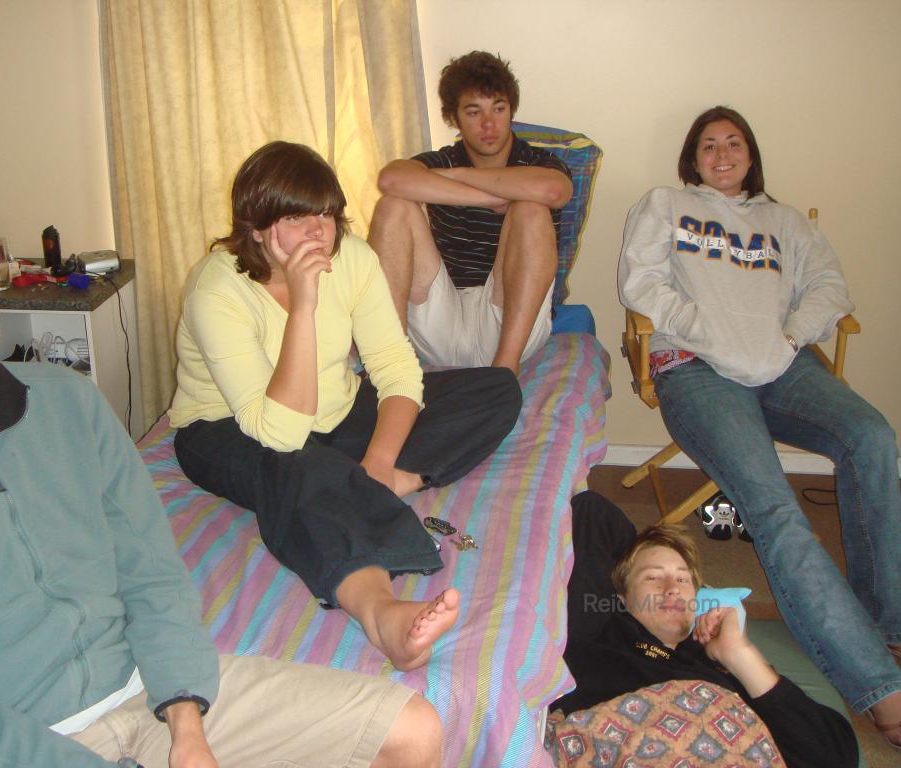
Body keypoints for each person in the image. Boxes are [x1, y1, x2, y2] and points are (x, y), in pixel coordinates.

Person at [0, 202, 444, 768]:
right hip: (20, 743)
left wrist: (186, 722)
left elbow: (151, 570)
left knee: (411, 731)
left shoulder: (65, 401)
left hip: (149, 692)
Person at [168, 141, 522, 672]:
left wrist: (379, 467)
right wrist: (304, 304)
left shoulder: (351, 257)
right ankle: (384, 616)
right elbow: (282, 432)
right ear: (258, 226)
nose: (319, 233)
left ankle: (387, 481)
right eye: (297, 217)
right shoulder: (216, 291)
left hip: (335, 409)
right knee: (297, 467)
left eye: (327, 215)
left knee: (496, 389)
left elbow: (395, 366)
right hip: (230, 429)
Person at [617, 105, 901, 750]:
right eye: (708, 145)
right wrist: (712, 333)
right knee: (772, 503)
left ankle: (887, 622)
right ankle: (880, 686)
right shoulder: (663, 204)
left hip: (782, 365)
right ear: (692, 157)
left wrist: (791, 335)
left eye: (733, 142)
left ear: (750, 154)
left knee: (875, 438)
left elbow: (830, 287)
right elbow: (642, 283)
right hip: (695, 367)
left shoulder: (784, 221)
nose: (722, 153)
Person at [555, 492, 859, 768]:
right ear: (618, 598)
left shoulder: (723, 671)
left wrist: (740, 657)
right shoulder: (597, 638)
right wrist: (638, 558)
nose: (672, 589)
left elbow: (836, 756)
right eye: (653, 579)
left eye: (683, 580)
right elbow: (593, 511)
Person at [367, 50, 573, 373]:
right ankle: (388, 365)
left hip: (508, 319)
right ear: (454, 118)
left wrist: (461, 176)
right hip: (441, 319)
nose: (489, 124)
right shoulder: (445, 158)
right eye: (474, 112)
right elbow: (391, 179)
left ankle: (504, 372)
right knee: (393, 205)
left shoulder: (537, 161)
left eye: (499, 109)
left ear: (511, 112)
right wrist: (487, 198)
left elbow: (554, 191)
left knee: (531, 209)